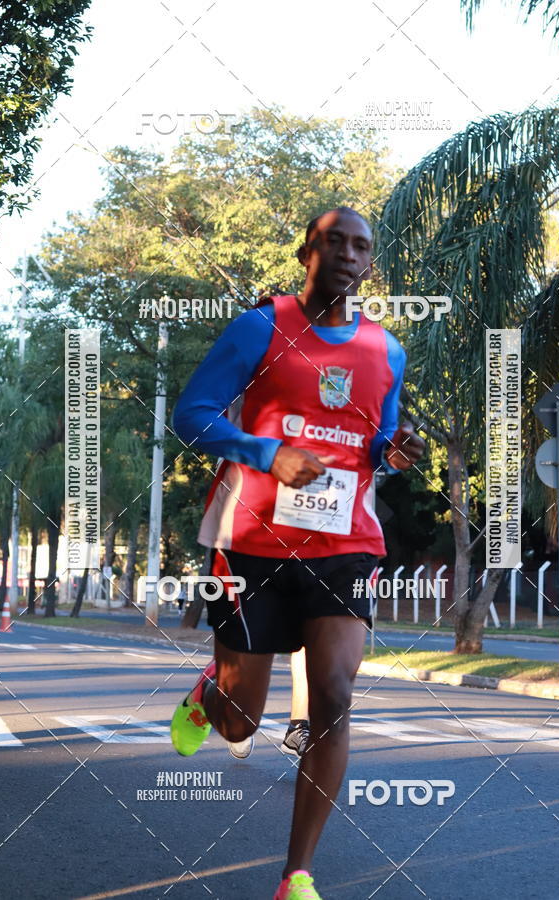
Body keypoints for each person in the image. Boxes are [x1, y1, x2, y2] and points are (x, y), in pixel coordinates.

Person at [171, 206, 425, 900]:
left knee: (334, 696)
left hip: (345, 544)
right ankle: (210, 693)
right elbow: (192, 414)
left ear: (369, 263)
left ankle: (296, 876)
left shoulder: (387, 350)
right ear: (307, 252)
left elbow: (377, 441)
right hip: (252, 541)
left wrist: (395, 452)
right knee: (241, 722)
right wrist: (267, 452)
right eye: (333, 241)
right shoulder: (260, 327)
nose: (347, 254)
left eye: (360, 246)